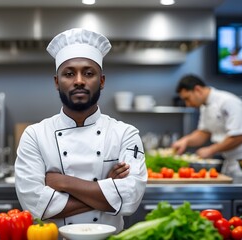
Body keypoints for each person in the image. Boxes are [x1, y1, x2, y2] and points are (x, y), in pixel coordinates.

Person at [14, 28, 147, 232]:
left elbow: (129, 200)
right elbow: (34, 206)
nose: (78, 80)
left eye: (88, 73)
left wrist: (65, 182)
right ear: (57, 82)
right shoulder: (35, 135)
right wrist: (107, 187)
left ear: (101, 81)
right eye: (69, 73)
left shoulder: (125, 134)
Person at [171, 74, 242, 179]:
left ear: (197, 90)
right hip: (228, 162)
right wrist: (185, 141)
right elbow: (204, 133)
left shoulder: (228, 102)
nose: (187, 104)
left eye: (187, 98)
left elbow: (239, 137)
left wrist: (211, 150)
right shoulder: (204, 106)